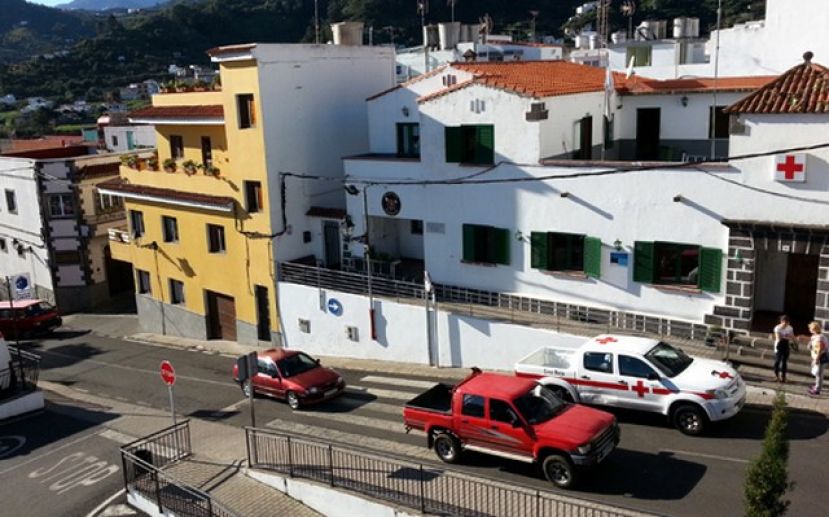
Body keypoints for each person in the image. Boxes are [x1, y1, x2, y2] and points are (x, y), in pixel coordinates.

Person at [807, 321, 828, 396]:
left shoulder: (820, 338)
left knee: (819, 374)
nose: (809, 329)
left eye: (810, 328)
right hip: (817, 357)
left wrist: (816, 359)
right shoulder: (816, 336)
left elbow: (820, 349)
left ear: (814, 329)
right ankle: (816, 386)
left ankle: (817, 390)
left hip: (821, 358)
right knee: (817, 374)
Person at [772, 315, 794, 383]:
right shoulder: (777, 328)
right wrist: (787, 337)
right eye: (784, 323)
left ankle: (783, 376)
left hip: (786, 345)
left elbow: (791, 336)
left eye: (786, 323)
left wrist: (785, 337)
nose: (785, 325)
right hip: (779, 345)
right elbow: (778, 338)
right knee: (777, 361)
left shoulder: (790, 328)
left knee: (784, 362)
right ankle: (776, 376)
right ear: (781, 322)